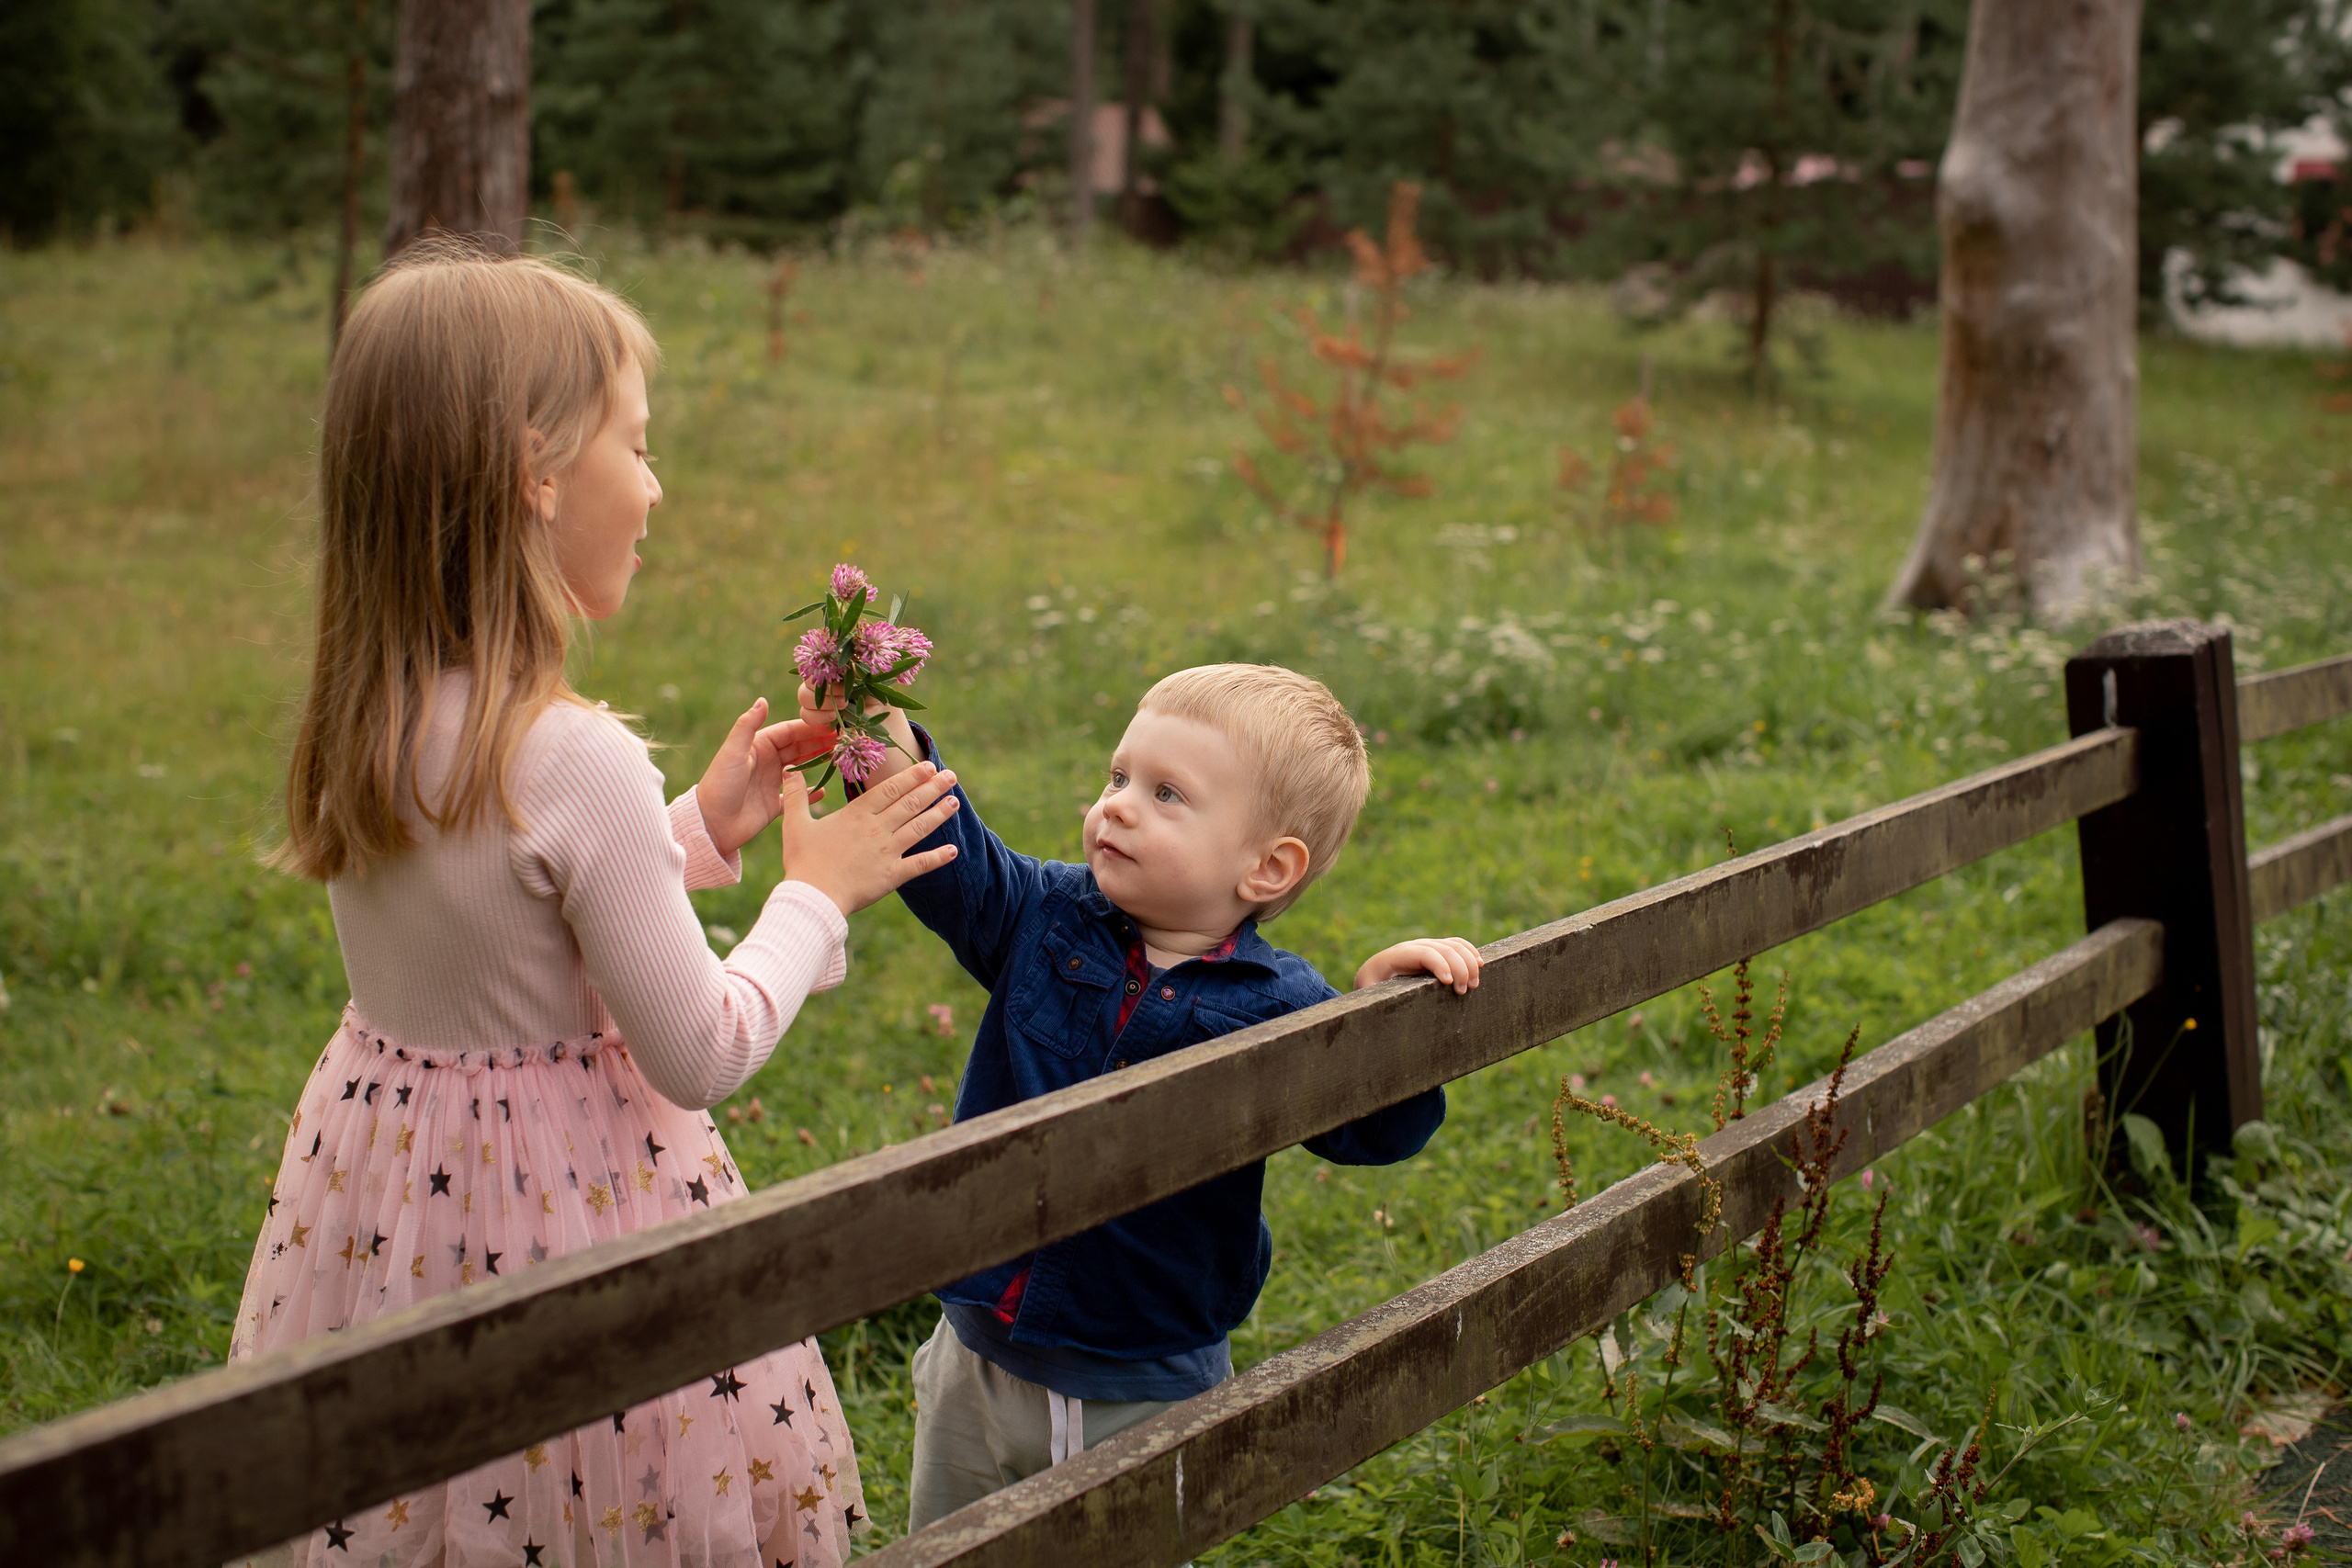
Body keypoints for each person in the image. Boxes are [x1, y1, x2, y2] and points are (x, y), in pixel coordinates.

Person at [238, 241, 964, 1568]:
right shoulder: (573, 757)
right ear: (538, 472)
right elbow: (701, 1049)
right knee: (582, 1500)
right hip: (566, 1215)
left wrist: (699, 827)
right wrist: (816, 894)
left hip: (400, 1212)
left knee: (429, 1495)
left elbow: (503, 922)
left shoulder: (375, 713)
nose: (656, 484)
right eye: (637, 445)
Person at [802, 662, 1483, 1529]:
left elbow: (1374, 1133)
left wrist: (1385, 1020)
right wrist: (879, 735)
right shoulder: (1042, 915)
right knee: (950, 1544)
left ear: (1268, 867)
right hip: (978, 1362)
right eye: (1118, 776)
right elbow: (947, 856)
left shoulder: (1278, 1006)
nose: (1118, 805)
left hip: (1146, 1381)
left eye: (1167, 794)